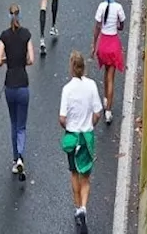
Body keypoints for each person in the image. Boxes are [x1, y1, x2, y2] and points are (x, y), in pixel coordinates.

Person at [60, 51, 104, 234]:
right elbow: (98, 112)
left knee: (74, 173)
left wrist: (68, 125)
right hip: (86, 136)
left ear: (71, 67)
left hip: (72, 136)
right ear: (84, 67)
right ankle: (83, 208)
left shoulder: (67, 90)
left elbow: (62, 118)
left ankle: (77, 207)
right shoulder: (92, 85)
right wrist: (91, 124)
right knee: (85, 176)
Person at [0, 4, 36, 180]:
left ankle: (15, 160)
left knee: (13, 123)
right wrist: (21, 60)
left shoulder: (4, 36)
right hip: (23, 84)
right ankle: (20, 156)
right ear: (19, 15)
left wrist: (9, 59)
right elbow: (31, 60)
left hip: (9, 85)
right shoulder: (26, 34)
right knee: (22, 125)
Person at [91, 0, 126, 126]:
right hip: (113, 44)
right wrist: (117, 26)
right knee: (111, 76)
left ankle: (105, 98)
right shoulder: (118, 8)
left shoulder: (101, 7)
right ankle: (108, 111)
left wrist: (94, 45)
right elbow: (122, 25)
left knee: (106, 72)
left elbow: (97, 27)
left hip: (103, 44)